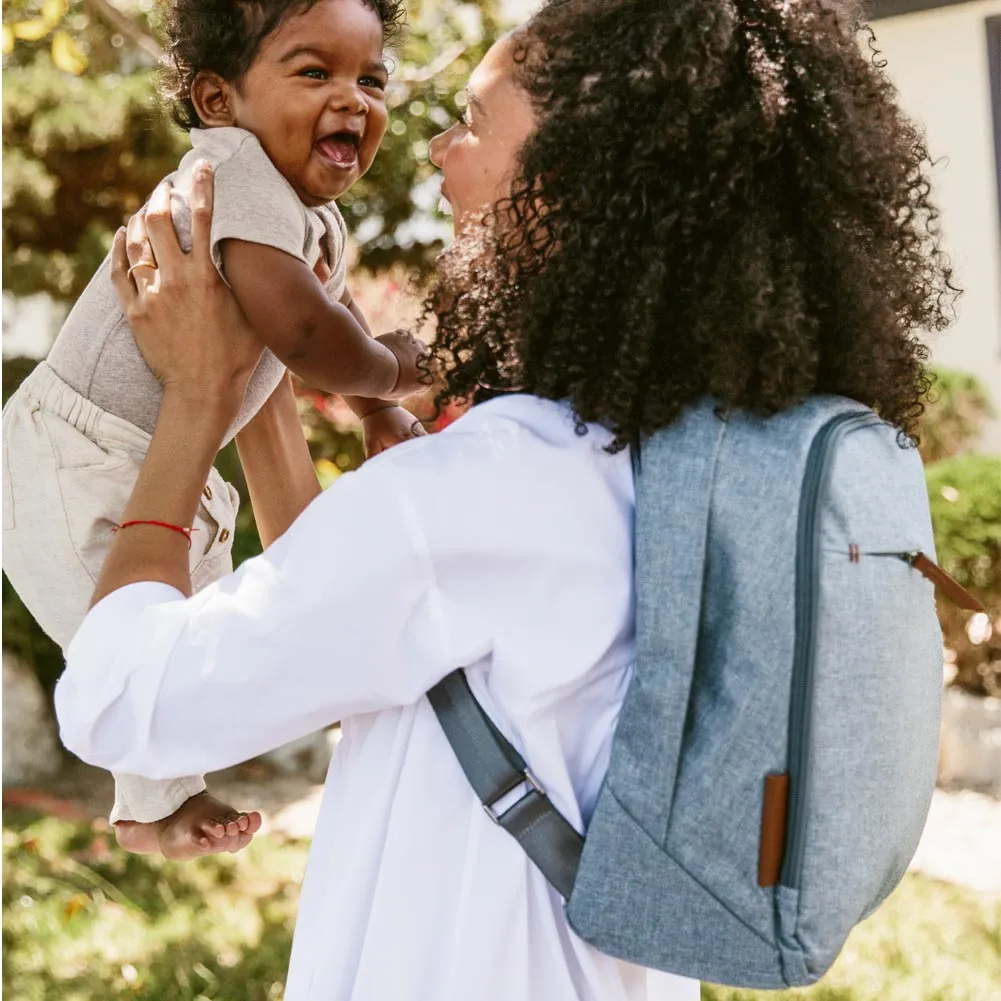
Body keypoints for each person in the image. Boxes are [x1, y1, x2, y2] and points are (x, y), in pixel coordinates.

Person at [54, 0, 955, 997]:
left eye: (476, 124)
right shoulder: (671, 455)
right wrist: (257, 391)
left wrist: (191, 402)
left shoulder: (489, 486)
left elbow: (121, 699)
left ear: (569, 189)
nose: (439, 151)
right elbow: (363, 629)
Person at [2, 0, 427, 860]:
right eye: (315, 73)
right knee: (136, 645)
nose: (353, 100)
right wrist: (394, 373)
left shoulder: (297, 206)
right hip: (73, 452)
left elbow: (323, 299)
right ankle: (154, 803)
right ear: (218, 101)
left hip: (137, 453)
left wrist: (377, 415)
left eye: (370, 79)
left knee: (176, 621)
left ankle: (153, 803)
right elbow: (306, 335)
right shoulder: (231, 179)